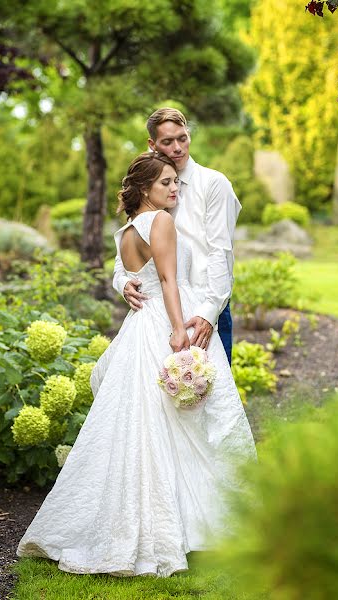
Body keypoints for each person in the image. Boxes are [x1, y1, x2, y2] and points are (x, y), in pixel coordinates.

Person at [16, 152, 256, 578]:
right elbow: (167, 280)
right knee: (187, 422)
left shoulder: (125, 231)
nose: (174, 188)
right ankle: (193, 524)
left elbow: (135, 277)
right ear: (145, 188)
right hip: (164, 322)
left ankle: (166, 519)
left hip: (137, 327)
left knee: (145, 423)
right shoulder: (160, 222)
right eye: (165, 182)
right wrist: (180, 331)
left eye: (175, 182)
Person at [113, 108, 240, 362]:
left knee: (206, 393)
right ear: (152, 144)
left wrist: (209, 312)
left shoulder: (213, 184)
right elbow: (132, 238)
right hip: (159, 314)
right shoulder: (147, 185)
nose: (178, 148)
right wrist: (122, 282)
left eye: (182, 138)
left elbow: (220, 252)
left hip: (204, 309)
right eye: (167, 142)